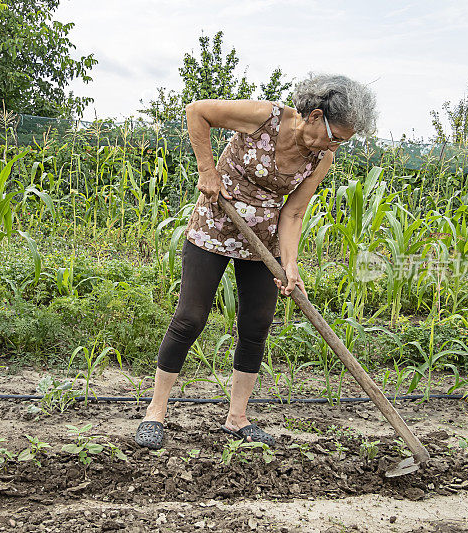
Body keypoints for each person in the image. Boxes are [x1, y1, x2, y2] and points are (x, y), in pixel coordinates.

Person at [134, 73, 378, 449]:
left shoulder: (322, 157)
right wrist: (207, 170)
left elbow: (294, 214)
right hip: (217, 221)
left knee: (256, 324)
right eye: (337, 137)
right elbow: (197, 112)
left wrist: (290, 264)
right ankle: (155, 412)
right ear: (314, 117)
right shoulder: (264, 116)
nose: (337, 146)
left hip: (262, 237)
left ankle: (237, 418)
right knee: (190, 317)